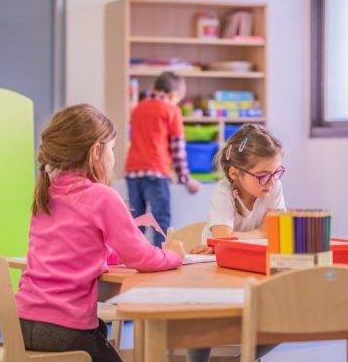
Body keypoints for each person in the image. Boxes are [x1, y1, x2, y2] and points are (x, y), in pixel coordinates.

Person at [16, 104, 185, 362]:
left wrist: (106, 256)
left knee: (99, 331)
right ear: (97, 150)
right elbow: (141, 256)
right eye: (112, 149)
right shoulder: (102, 196)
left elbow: (73, 247)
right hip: (64, 328)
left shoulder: (46, 193)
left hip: (21, 322)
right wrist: (173, 255)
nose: (114, 156)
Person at [187, 123, 285, 362]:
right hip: (217, 274)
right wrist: (261, 232)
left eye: (277, 172)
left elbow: (278, 231)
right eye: (263, 175)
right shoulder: (223, 192)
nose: (271, 182)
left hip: (256, 271)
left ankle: (246, 359)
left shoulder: (273, 188)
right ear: (235, 173)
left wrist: (239, 238)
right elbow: (222, 241)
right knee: (200, 322)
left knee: (286, 316)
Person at [125, 72, 201, 247]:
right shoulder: (172, 110)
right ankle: (161, 256)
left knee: (136, 221)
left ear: (153, 88)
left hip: (132, 170)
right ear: (174, 96)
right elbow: (178, 150)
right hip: (156, 172)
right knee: (160, 220)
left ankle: (134, 255)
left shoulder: (138, 108)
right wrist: (185, 179)